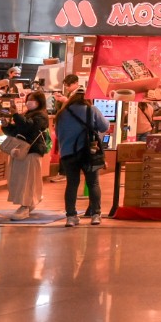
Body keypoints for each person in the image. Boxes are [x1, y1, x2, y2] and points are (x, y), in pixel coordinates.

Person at [55, 88, 109, 227]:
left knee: (72, 184)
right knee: (93, 183)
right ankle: (96, 215)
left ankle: (71, 217)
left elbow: (58, 133)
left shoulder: (62, 113)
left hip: (67, 153)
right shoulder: (92, 110)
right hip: (88, 153)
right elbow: (104, 127)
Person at [1, 91, 50, 221]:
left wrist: (16, 114)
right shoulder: (27, 115)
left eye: (32, 99)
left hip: (31, 151)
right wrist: (6, 126)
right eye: (28, 99)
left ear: (39, 102)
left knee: (27, 180)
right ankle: (30, 202)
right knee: (20, 179)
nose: (29, 102)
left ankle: (26, 206)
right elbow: (16, 131)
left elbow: (29, 127)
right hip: (20, 152)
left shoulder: (41, 116)